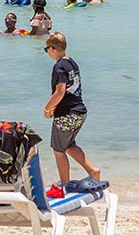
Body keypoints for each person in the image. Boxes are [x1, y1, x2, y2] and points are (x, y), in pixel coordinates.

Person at [42, 32, 100, 199]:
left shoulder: (59, 67)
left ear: (53, 49)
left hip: (66, 114)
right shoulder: (71, 63)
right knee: (69, 145)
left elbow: (60, 92)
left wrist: (47, 109)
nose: (47, 52)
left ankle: (64, 184)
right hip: (80, 112)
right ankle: (93, 171)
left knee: (58, 149)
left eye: (47, 49)